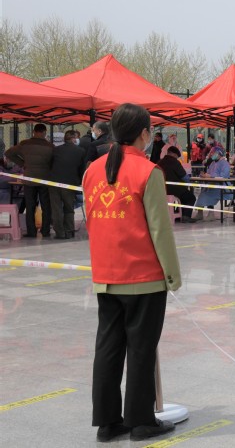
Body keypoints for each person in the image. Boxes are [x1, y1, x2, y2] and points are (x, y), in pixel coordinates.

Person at [83, 102, 180, 443]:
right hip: (143, 276)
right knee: (141, 349)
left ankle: (107, 422)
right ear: (144, 133)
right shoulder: (148, 171)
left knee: (108, 348)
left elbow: (92, 221)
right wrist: (173, 275)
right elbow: (160, 230)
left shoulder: (92, 170)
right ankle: (141, 421)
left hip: (106, 273)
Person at [4, 122, 54, 237]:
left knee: (30, 205)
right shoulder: (50, 146)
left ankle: (31, 232)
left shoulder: (24, 144)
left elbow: (8, 153)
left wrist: (23, 163)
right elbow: (54, 161)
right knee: (46, 206)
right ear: (44, 132)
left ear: (33, 132)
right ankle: (45, 231)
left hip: (29, 178)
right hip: (45, 179)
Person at [48, 130, 86, 239]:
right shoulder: (80, 151)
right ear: (74, 138)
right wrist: (80, 182)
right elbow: (82, 169)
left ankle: (59, 233)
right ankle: (69, 231)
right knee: (69, 208)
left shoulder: (56, 150)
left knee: (56, 209)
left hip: (54, 182)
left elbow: (50, 165)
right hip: (70, 184)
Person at [157, 146, 196, 223]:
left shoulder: (159, 162)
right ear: (173, 154)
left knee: (182, 196)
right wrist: (189, 182)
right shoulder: (175, 162)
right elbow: (184, 177)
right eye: (176, 156)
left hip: (162, 189)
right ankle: (186, 216)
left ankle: (177, 213)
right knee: (190, 197)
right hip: (175, 189)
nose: (177, 158)